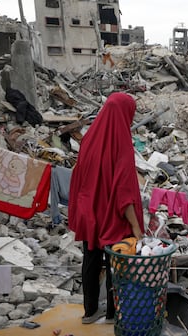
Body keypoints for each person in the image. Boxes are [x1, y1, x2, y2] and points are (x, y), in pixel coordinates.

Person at [68, 92, 145, 324]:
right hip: (113, 216)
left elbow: (79, 176)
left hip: (90, 213)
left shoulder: (90, 139)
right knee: (116, 263)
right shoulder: (120, 143)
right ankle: (113, 315)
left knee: (90, 260)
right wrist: (135, 227)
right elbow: (124, 193)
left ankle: (89, 312)